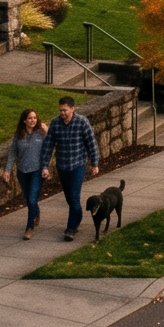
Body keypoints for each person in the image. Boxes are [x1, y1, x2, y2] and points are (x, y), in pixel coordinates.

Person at [48, 95, 101, 241]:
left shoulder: (82, 122)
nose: (62, 113)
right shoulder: (55, 123)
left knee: (73, 196)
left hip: (78, 165)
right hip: (62, 166)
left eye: (65, 110)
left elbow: (91, 143)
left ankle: (71, 228)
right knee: (69, 198)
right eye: (60, 110)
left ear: (72, 109)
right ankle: (77, 217)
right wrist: (45, 166)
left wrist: (95, 163)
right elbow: (48, 145)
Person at [10, 108, 51, 239]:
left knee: (32, 199)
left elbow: (51, 144)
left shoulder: (41, 132)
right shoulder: (18, 135)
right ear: (24, 121)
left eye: (34, 118)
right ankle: (36, 212)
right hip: (22, 171)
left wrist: (45, 167)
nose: (33, 120)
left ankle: (29, 227)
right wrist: (7, 170)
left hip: (38, 171)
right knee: (29, 199)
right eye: (30, 118)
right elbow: (12, 153)